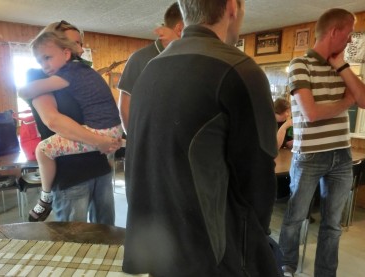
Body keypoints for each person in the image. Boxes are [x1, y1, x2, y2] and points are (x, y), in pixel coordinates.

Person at [123, 0, 281, 276]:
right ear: (232, 7)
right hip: (213, 252)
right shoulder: (239, 69)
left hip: (160, 243)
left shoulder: (150, 69)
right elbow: (258, 179)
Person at [278, 8, 365, 277]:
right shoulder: (300, 65)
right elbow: (311, 114)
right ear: (334, 32)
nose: (351, 40)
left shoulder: (343, 69)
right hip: (309, 154)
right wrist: (345, 102)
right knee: (295, 217)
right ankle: (285, 267)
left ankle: (325, 273)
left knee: (333, 224)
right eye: (350, 33)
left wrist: (342, 68)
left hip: (341, 155)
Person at [19, 31, 123, 222]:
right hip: (74, 173)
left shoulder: (69, 73)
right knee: (83, 234)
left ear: (66, 54)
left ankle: (45, 196)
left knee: (42, 150)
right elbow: (52, 119)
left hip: (99, 156)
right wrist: (102, 142)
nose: (80, 50)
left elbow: (27, 91)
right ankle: (46, 196)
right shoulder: (78, 72)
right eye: (41, 60)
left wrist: (22, 90)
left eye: (79, 44)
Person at [117, 2, 183, 133]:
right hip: (150, 142)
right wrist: (133, 140)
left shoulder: (189, 57)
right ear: (180, 29)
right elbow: (125, 105)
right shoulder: (139, 59)